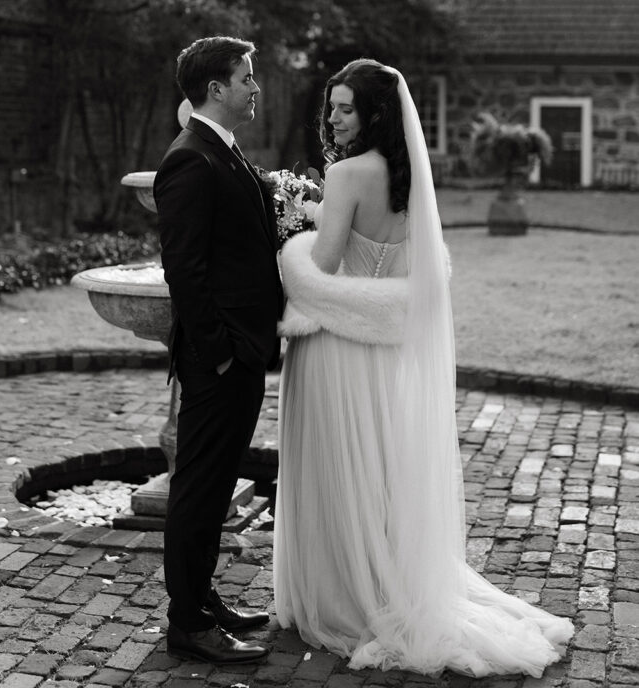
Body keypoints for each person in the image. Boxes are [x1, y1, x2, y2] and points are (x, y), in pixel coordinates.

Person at [273, 58, 574, 677]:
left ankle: (342, 597)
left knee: (335, 469)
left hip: (335, 345)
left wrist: (290, 243)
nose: (333, 116)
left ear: (375, 113)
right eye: (331, 106)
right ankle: (383, 583)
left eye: (346, 107)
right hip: (383, 354)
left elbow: (324, 266)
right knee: (376, 472)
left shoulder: (348, 172)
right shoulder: (413, 181)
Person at [154, 36, 283, 665]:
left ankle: (203, 599)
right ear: (216, 90)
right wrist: (222, 352)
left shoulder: (225, 152)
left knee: (214, 481)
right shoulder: (190, 160)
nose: (255, 87)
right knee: (199, 489)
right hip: (221, 360)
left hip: (245, 353)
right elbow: (184, 270)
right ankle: (186, 623)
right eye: (246, 78)